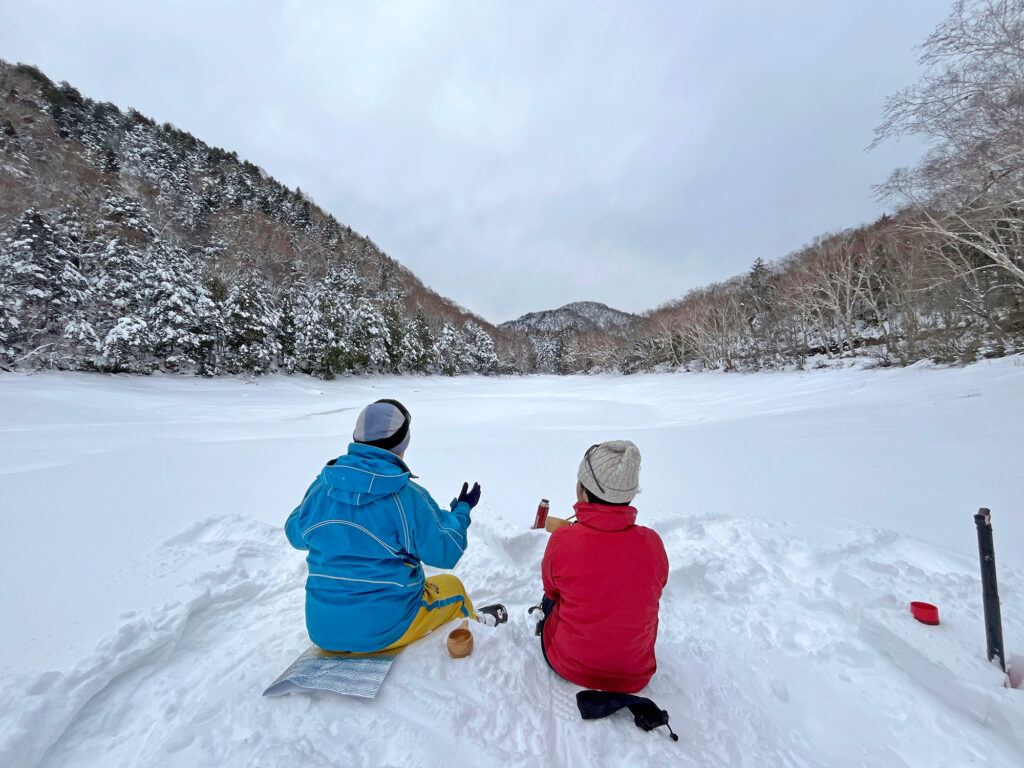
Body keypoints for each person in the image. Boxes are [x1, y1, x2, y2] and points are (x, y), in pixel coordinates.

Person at [285, 398, 506, 653]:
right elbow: (447, 549)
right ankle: (475, 629)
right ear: (403, 443)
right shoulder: (406, 496)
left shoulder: (320, 487)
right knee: (454, 589)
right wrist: (462, 511)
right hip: (384, 628)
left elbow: (295, 532)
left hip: (322, 629)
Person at [537, 440, 668, 693]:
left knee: (551, 598)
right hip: (635, 672)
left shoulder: (563, 540)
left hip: (568, 664)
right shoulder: (652, 542)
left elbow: (551, 591)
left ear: (583, 491)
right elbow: (655, 586)